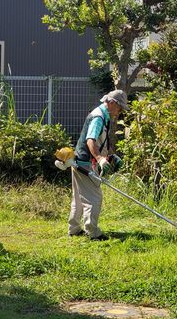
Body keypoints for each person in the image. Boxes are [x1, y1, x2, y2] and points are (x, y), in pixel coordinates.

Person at [68, 89, 128, 240]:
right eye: (120, 107)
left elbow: (100, 142)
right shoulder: (98, 117)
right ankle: (93, 232)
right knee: (94, 198)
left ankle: (74, 229)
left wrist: (109, 157)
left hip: (79, 160)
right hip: (85, 163)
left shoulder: (103, 115)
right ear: (112, 103)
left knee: (79, 198)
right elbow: (90, 141)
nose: (119, 112)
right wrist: (100, 159)